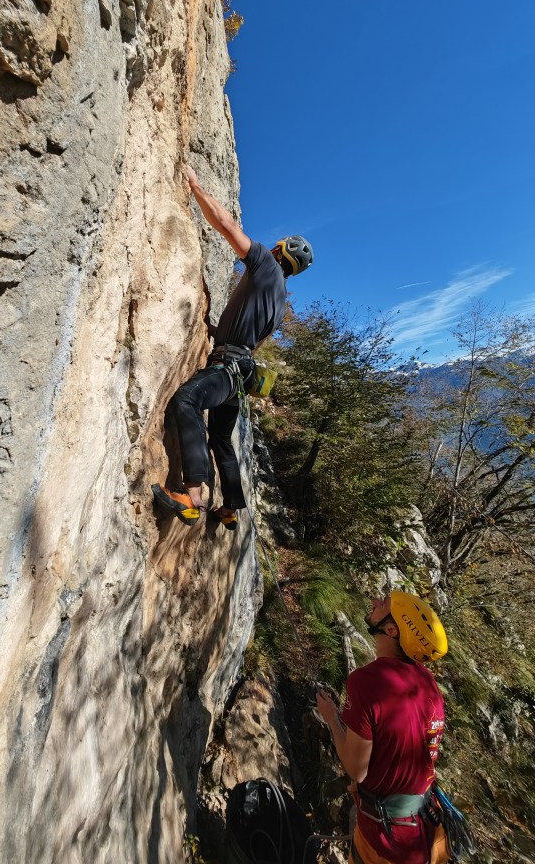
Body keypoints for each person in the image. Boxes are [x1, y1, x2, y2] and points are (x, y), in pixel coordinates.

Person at [152, 165, 313, 529]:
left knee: (187, 400)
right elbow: (254, 342)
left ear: (279, 250)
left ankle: (191, 496)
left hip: (227, 369)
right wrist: (217, 330)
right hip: (240, 373)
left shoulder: (265, 265)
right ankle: (231, 508)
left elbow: (226, 226)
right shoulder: (280, 300)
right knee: (222, 440)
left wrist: (196, 186)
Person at [315, 591, 450, 864]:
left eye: (384, 603)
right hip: (426, 832)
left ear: (391, 630)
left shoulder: (366, 682)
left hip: (386, 843)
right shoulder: (428, 684)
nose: (375, 602)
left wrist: (331, 718)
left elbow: (357, 770)